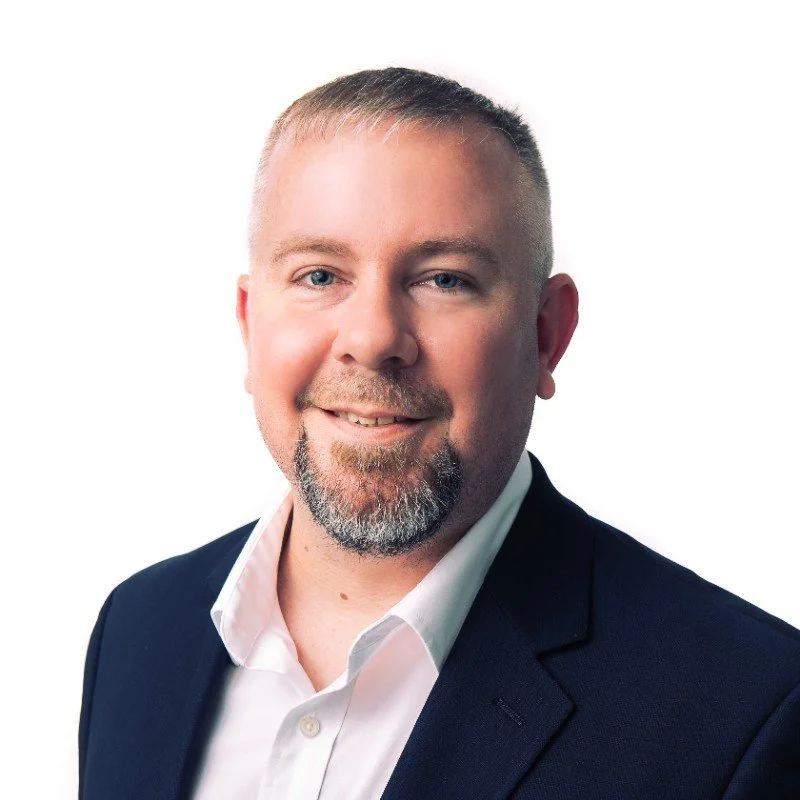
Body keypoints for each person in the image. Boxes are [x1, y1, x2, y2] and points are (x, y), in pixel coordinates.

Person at [78, 67, 800, 799]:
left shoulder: (745, 710)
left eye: (444, 279)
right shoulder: (140, 631)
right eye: (320, 275)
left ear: (547, 336)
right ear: (248, 321)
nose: (373, 337)